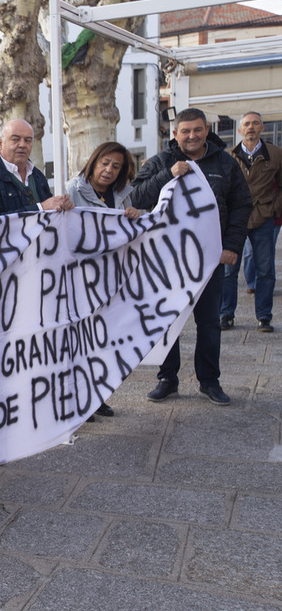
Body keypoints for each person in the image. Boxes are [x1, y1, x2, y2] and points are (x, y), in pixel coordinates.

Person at [130, 107, 252, 406]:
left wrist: (232, 246)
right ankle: (167, 378)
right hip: (168, 261)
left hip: (210, 260)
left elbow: (241, 205)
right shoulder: (161, 161)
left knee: (209, 322)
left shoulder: (225, 163)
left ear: (206, 130)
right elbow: (136, 197)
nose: (192, 136)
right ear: (175, 134)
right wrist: (167, 175)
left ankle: (209, 380)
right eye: (185, 131)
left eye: (197, 130)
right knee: (168, 321)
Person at [66, 141, 141, 420]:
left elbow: (127, 234)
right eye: (105, 163)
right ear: (94, 162)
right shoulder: (73, 189)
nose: (108, 170)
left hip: (110, 279)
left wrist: (134, 216)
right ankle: (77, 400)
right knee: (80, 341)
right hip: (80, 279)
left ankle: (97, 396)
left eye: (116, 166)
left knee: (103, 341)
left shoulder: (122, 196)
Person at [221, 111, 282, 333]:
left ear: (262, 128)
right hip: (235, 220)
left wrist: (274, 207)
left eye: (255, 124)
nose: (251, 128)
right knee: (228, 270)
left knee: (265, 270)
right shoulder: (227, 155)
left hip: (263, 218)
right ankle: (225, 314)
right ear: (239, 130)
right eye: (246, 124)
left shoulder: (275, 154)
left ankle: (264, 317)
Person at [0, 119, 73, 216]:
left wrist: (61, 206)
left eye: (27, 140)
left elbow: (50, 207)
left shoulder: (37, 175)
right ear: (0, 143)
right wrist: (40, 208)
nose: (22, 145)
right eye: (15, 139)